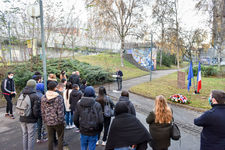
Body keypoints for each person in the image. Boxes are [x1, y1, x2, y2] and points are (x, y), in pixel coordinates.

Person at [41, 81, 65, 150]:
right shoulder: (58, 97)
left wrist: (45, 120)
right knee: (60, 138)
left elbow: (42, 111)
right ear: (55, 88)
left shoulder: (43, 97)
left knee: (50, 138)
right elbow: (60, 111)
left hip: (48, 121)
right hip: (58, 121)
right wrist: (62, 121)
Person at [19, 79, 41, 150]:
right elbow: (36, 111)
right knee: (31, 136)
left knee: (24, 135)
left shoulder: (21, 94)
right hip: (31, 119)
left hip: (22, 117)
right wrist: (37, 118)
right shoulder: (35, 96)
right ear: (34, 86)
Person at [36, 77, 48, 143]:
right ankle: (41, 137)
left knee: (38, 126)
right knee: (41, 126)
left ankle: (38, 138)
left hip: (35, 113)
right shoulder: (41, 96)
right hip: (41, 113)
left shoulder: (34, 93)